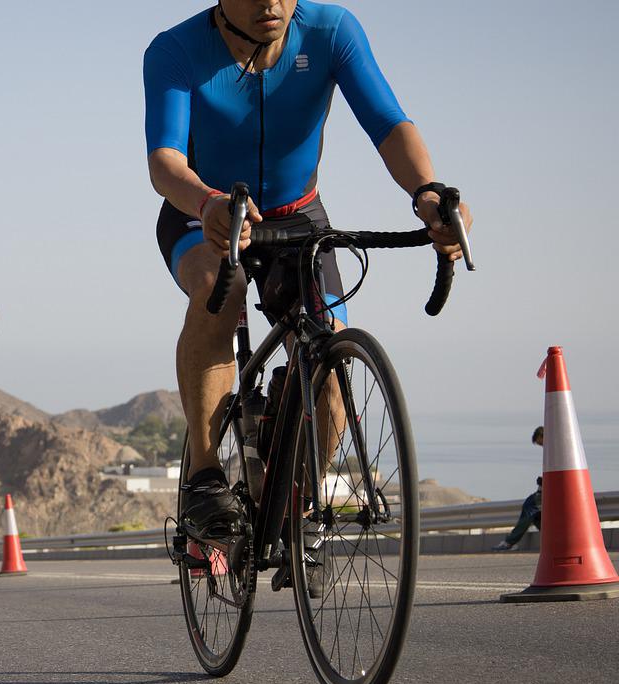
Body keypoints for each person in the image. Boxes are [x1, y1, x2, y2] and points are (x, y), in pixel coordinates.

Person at [144, 0, 475, 539]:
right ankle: (205, 478)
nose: (270, 3)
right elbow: (165, 161)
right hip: (202, 213)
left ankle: (298, 496)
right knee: (215, 291)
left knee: (333, 347)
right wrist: (207, 203)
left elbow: (389, 124)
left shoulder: (331, 31)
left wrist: (427, 192)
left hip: (300, 215)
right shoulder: (176, 49)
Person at [493, 427, 546, 552]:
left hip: (547, 492)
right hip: (546, 490)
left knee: (530, 507)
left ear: (544, 436)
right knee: (536, 514)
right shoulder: (554, 449)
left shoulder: (553, 449)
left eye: (541, 443)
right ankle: (551, 538)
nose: (542, 446)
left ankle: (510, 541)